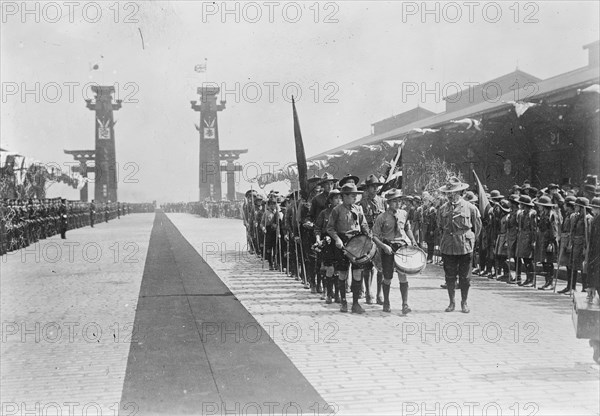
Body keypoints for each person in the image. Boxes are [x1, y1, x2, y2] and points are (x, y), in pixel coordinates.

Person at [437, 177, 482, 313]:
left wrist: (471, 240)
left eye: (453, 192)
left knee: (465, 278)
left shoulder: (470, 208)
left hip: (464, 246)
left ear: (460, 192)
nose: (450, 195)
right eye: (448, 193)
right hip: (448, 246)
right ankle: (451, 303)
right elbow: (440, 226)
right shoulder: (442, 209)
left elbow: (478, 227)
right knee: (449, 276)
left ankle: (464, 302)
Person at [326, 183, 371, 314]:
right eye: (352, 196)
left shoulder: (358, 209)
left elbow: (364, 225)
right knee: (343, 272)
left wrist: (368, 237)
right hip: (343, 243)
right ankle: (344, 302)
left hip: (357, 243)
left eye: (356, 196)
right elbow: (330, 228)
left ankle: (356, 303)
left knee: (357, 272)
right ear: (344, 196)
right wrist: (337, 239)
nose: (355, 198)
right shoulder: (337, 210)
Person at [372, 188, 417, 313]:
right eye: (394, 201)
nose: (397, 203)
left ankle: (405, 305)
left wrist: (412, 240)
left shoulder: (403, 213)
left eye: (399, 201)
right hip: (388, 247)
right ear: (388, 203)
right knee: (388, 277)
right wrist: (383, 246)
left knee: (403, 275)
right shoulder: (382, 217)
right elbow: (374, 236)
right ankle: (386, 302)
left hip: (401, 247)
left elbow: (407, 228)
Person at [358, 174, 386, 304]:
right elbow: (360, 221)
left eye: (377, 187)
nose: (375, 189)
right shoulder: (362, 203)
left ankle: (380, 293)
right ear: (367, 188)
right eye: (372, 187)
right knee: (367, 266)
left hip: (380, 237)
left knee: (380, 266)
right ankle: (368, 292)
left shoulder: (383, 201)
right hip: (367, 236)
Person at [314, 189, 342, 303]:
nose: (338, 200)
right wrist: (317, 239)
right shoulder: (324, 213)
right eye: (336, 198)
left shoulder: (342, 212)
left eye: (339, 198)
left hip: (339, 241)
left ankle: (337, 293)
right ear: (330, 200)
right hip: (328, 242)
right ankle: (329, 293)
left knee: (338, 269)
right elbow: (317, 228)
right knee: (329, 268)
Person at [534, 195, 561, 290]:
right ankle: (547, 282)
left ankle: (551, 282)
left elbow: (554, 229)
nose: (538, 206)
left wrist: (551, 242)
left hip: (549, 241)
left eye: (540, 205)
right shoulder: (543, 214)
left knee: (549, 262)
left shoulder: (552, 215)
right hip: (543, 240)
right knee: (544, 262)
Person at [516, 195, 537, 287]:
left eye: (521, 203)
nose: (519, 205)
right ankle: (528, 278)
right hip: (522, 237)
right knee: (524, 258)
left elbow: (534, 228)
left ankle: (531, 279)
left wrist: (533, 240)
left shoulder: (532, 214)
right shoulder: (521, 213)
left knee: (529, 259)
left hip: (529, 237)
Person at [557, 196, 577, 294]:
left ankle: (572, 287)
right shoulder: (568, 215)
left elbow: (572, 230)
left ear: (568, 206)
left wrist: (570, 243)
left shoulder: (573, 216)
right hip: (565, 239)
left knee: (571, 265)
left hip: (570, 240)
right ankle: (568, 286)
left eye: (565, 204)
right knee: (567, 265)